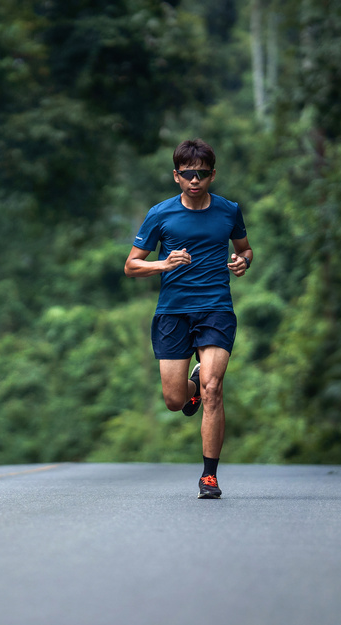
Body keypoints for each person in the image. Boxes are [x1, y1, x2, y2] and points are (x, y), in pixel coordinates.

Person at [123, 138, 252, 499]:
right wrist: (163, 263)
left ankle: (209, 476)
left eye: (203, 174)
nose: (195, 180)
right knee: (174, 400)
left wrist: (243, 262)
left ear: (213, 175)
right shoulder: (160, 214)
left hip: (216, 309)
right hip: (172, 313)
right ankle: (191, 385)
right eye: (188, 174)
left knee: (214, 389)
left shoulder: (229, 211)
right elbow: (131, 265)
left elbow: (244, 249)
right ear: (177, 176)